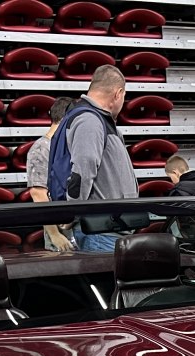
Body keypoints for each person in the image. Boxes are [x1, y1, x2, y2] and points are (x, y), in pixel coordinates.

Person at [64, 65, 138, 251]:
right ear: (118, 94)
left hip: (108, 230)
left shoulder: (99, 120)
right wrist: (74, 213)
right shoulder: (90, 121)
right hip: (101, 233)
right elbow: (82, 172)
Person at [26, 96, 77, 251]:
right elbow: (38, 194)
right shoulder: (41, 149)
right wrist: (54, 234)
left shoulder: (66, 146)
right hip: (60, 239)